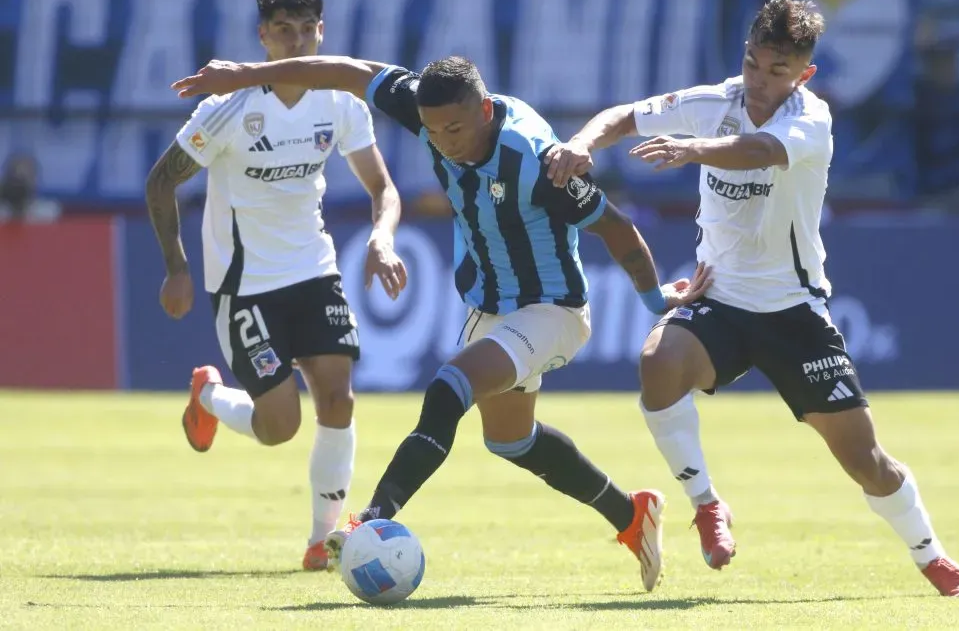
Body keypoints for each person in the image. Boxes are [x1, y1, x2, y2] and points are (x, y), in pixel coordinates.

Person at [171, 52, 712, 591]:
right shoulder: (428, 110)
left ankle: (369, 519)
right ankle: (631, 514)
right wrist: (248, 76)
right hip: (491, 307)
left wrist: (652, 299)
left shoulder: (538, 161)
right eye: (433, 131)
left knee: (449, 386)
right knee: (510, 440)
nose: (444, 141)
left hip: (554, 310)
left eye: (454, 128)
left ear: (483, 109)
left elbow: (617, 229)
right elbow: (346, 73)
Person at [543, 0, 959, 597]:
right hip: (718, 299)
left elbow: (762, 152)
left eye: (778, 70)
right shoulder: (714, 102)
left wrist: (691, 148)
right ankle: (706, 504)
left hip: (793, 310)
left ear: (804, 73)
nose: (759, 80)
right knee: (657, 363)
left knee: (865, 460)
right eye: (753, 62)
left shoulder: (811, 118)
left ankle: (932, 556)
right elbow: (623, 116)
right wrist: (582, 144)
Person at [145, 0, 407, 572]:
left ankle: (323, 542)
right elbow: (162, 182)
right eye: (283, 30)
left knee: (338, 397)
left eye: (307, 29)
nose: (296, 41)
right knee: (280, 426)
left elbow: (383, 188)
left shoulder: (341, 102)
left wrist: (382, 237)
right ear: (263, 36)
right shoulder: (228, 108)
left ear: (322, 32)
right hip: (244, 284)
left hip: (313, 269)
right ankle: (209, 396)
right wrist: (177, 267)